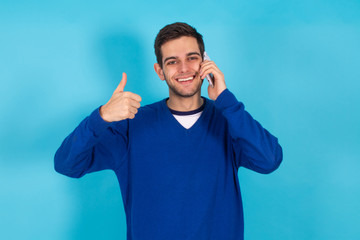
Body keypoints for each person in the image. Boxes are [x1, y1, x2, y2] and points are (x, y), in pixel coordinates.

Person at [54, 22, 283, 240]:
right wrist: (101, 117)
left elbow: (269, 160)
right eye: (172, 61)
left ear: (205, 63)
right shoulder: (131, 126)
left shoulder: (229, 121)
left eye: (191, 58)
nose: (184, 68)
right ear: (160, 71)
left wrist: (226, 101)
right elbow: (67, 164)